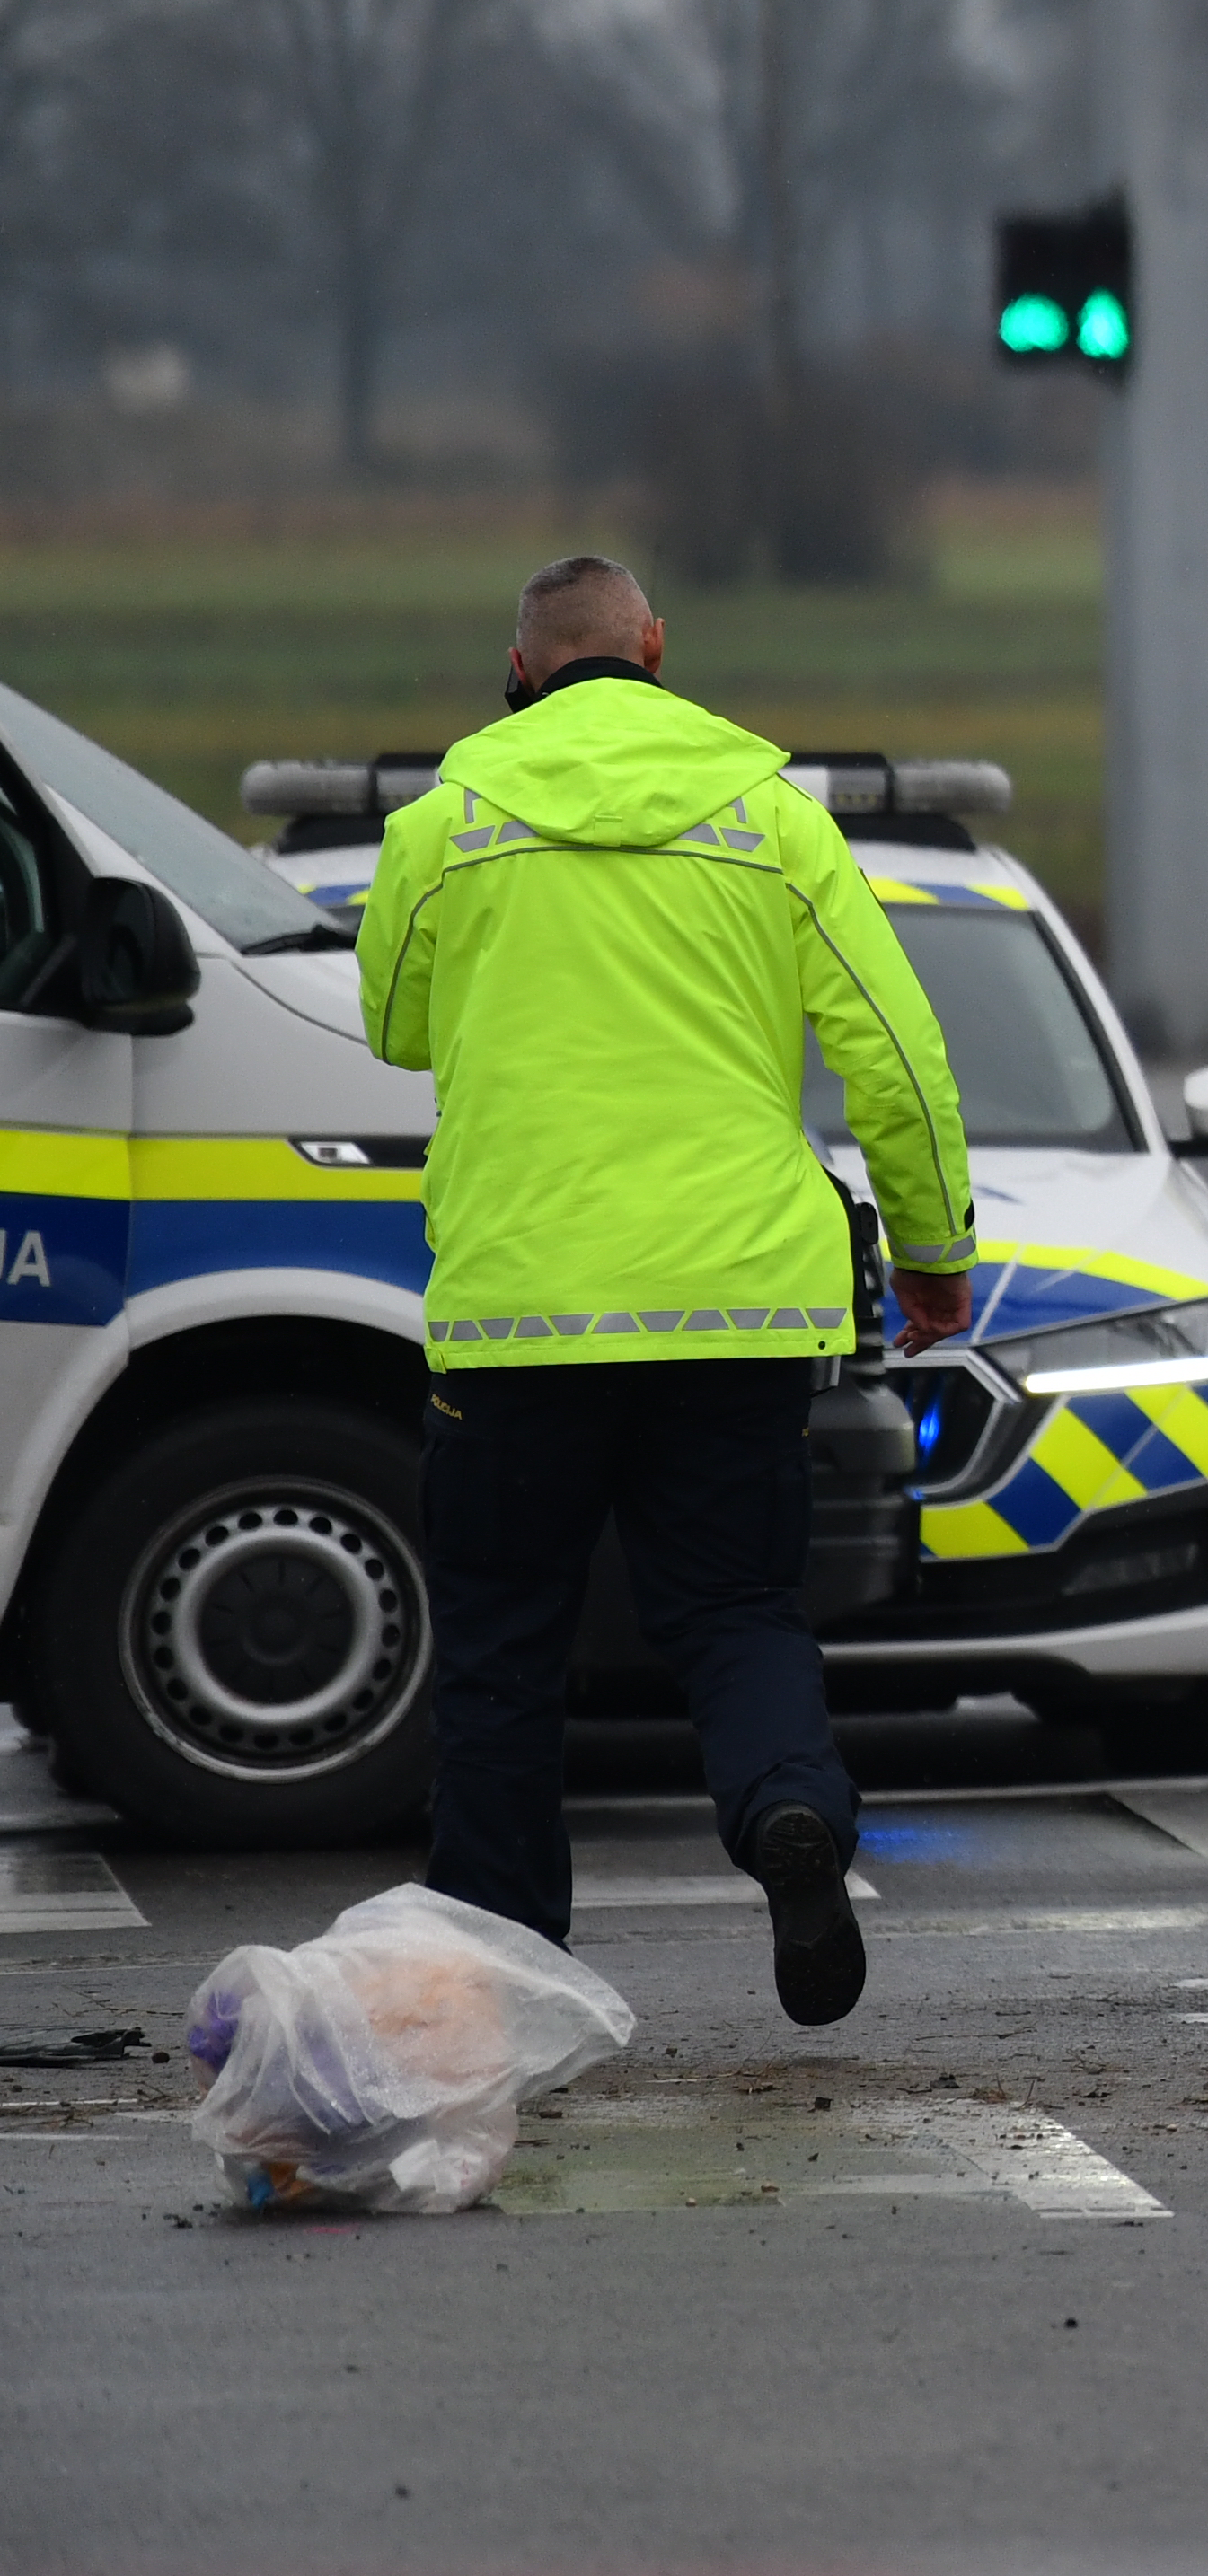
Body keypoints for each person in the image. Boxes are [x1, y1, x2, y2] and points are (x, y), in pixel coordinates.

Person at [350, 555, 970, 2023]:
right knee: (741, 1612)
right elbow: (899, 1052)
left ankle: (505, 1976)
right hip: (738, 1305)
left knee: (504, 1644)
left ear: (519, 668)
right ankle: (787, 1818)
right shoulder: (775, 820)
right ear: (656, 647)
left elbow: (391, 1022)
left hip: (518, 1316)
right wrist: (933, 1254)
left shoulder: (446, 825)